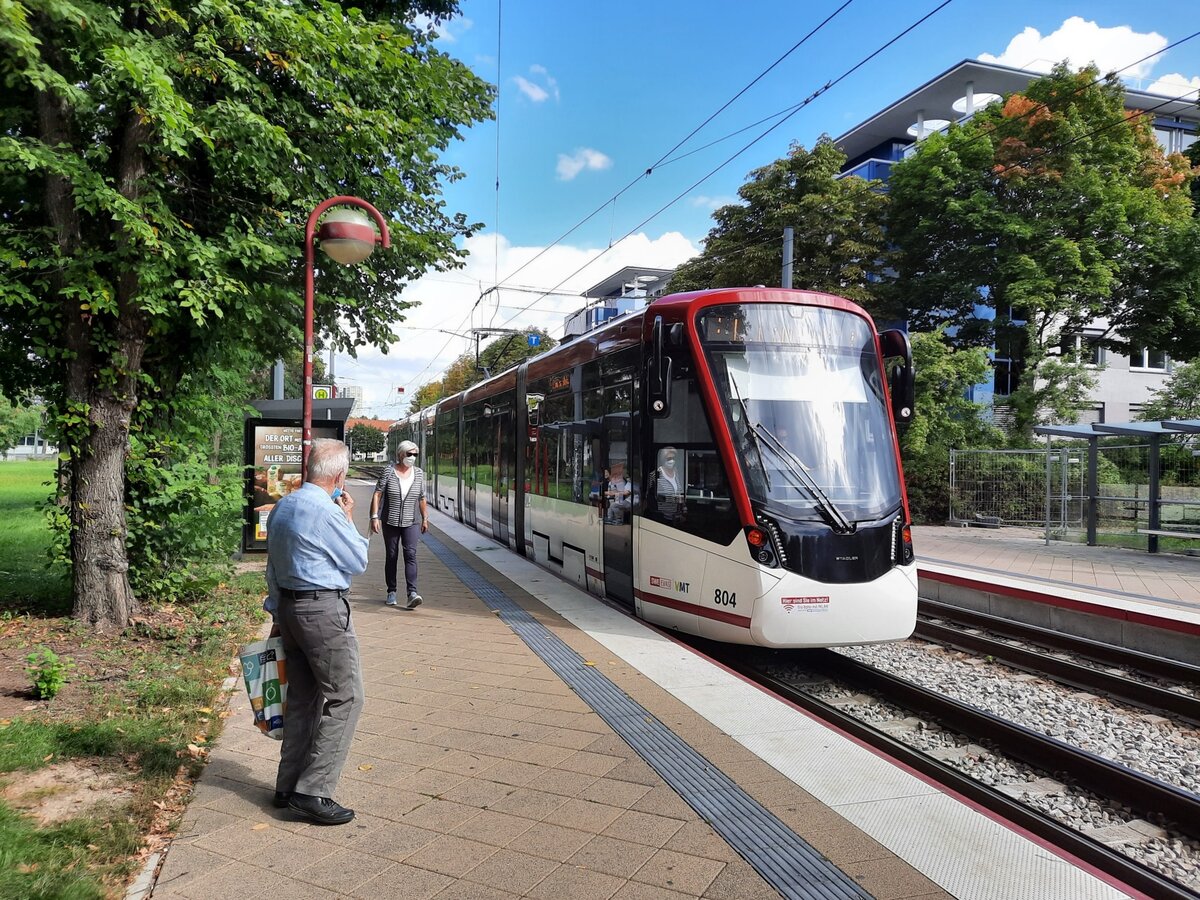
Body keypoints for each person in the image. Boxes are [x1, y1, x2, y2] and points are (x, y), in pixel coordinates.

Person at [264, 438, 369, 826]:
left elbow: (272, 566)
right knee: (347, 698)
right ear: (339, 476)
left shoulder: (283, 506)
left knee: (304, 699)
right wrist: (348, 519)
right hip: (323, 611)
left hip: (290, 609)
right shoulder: (326, 512)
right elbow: (358, 560)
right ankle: (314, 791)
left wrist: (276, 610)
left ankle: (287, 786)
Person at [370, 440, 428, 609]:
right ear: (401, 454)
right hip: (391, 520)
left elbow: (422, 498)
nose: (412, 458)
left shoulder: (418, 474)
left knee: (410, 555)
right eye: (409, 454)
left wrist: (425, 518)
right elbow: (378, 494)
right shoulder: (389, 471)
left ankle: (412, 593)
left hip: (412, 521)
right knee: (392, 555)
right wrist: (374, 516)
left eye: (415, 455)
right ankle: (391, 591)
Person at [652, 447, 684, 522]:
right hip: (663, 518)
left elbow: (680, 493)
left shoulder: (676, 473)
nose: (672, 461)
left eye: (673, 458)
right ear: (663, 459)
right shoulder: (655, 474)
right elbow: (650, 497)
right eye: (669, 458)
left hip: (677, 518)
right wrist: (673, 499)